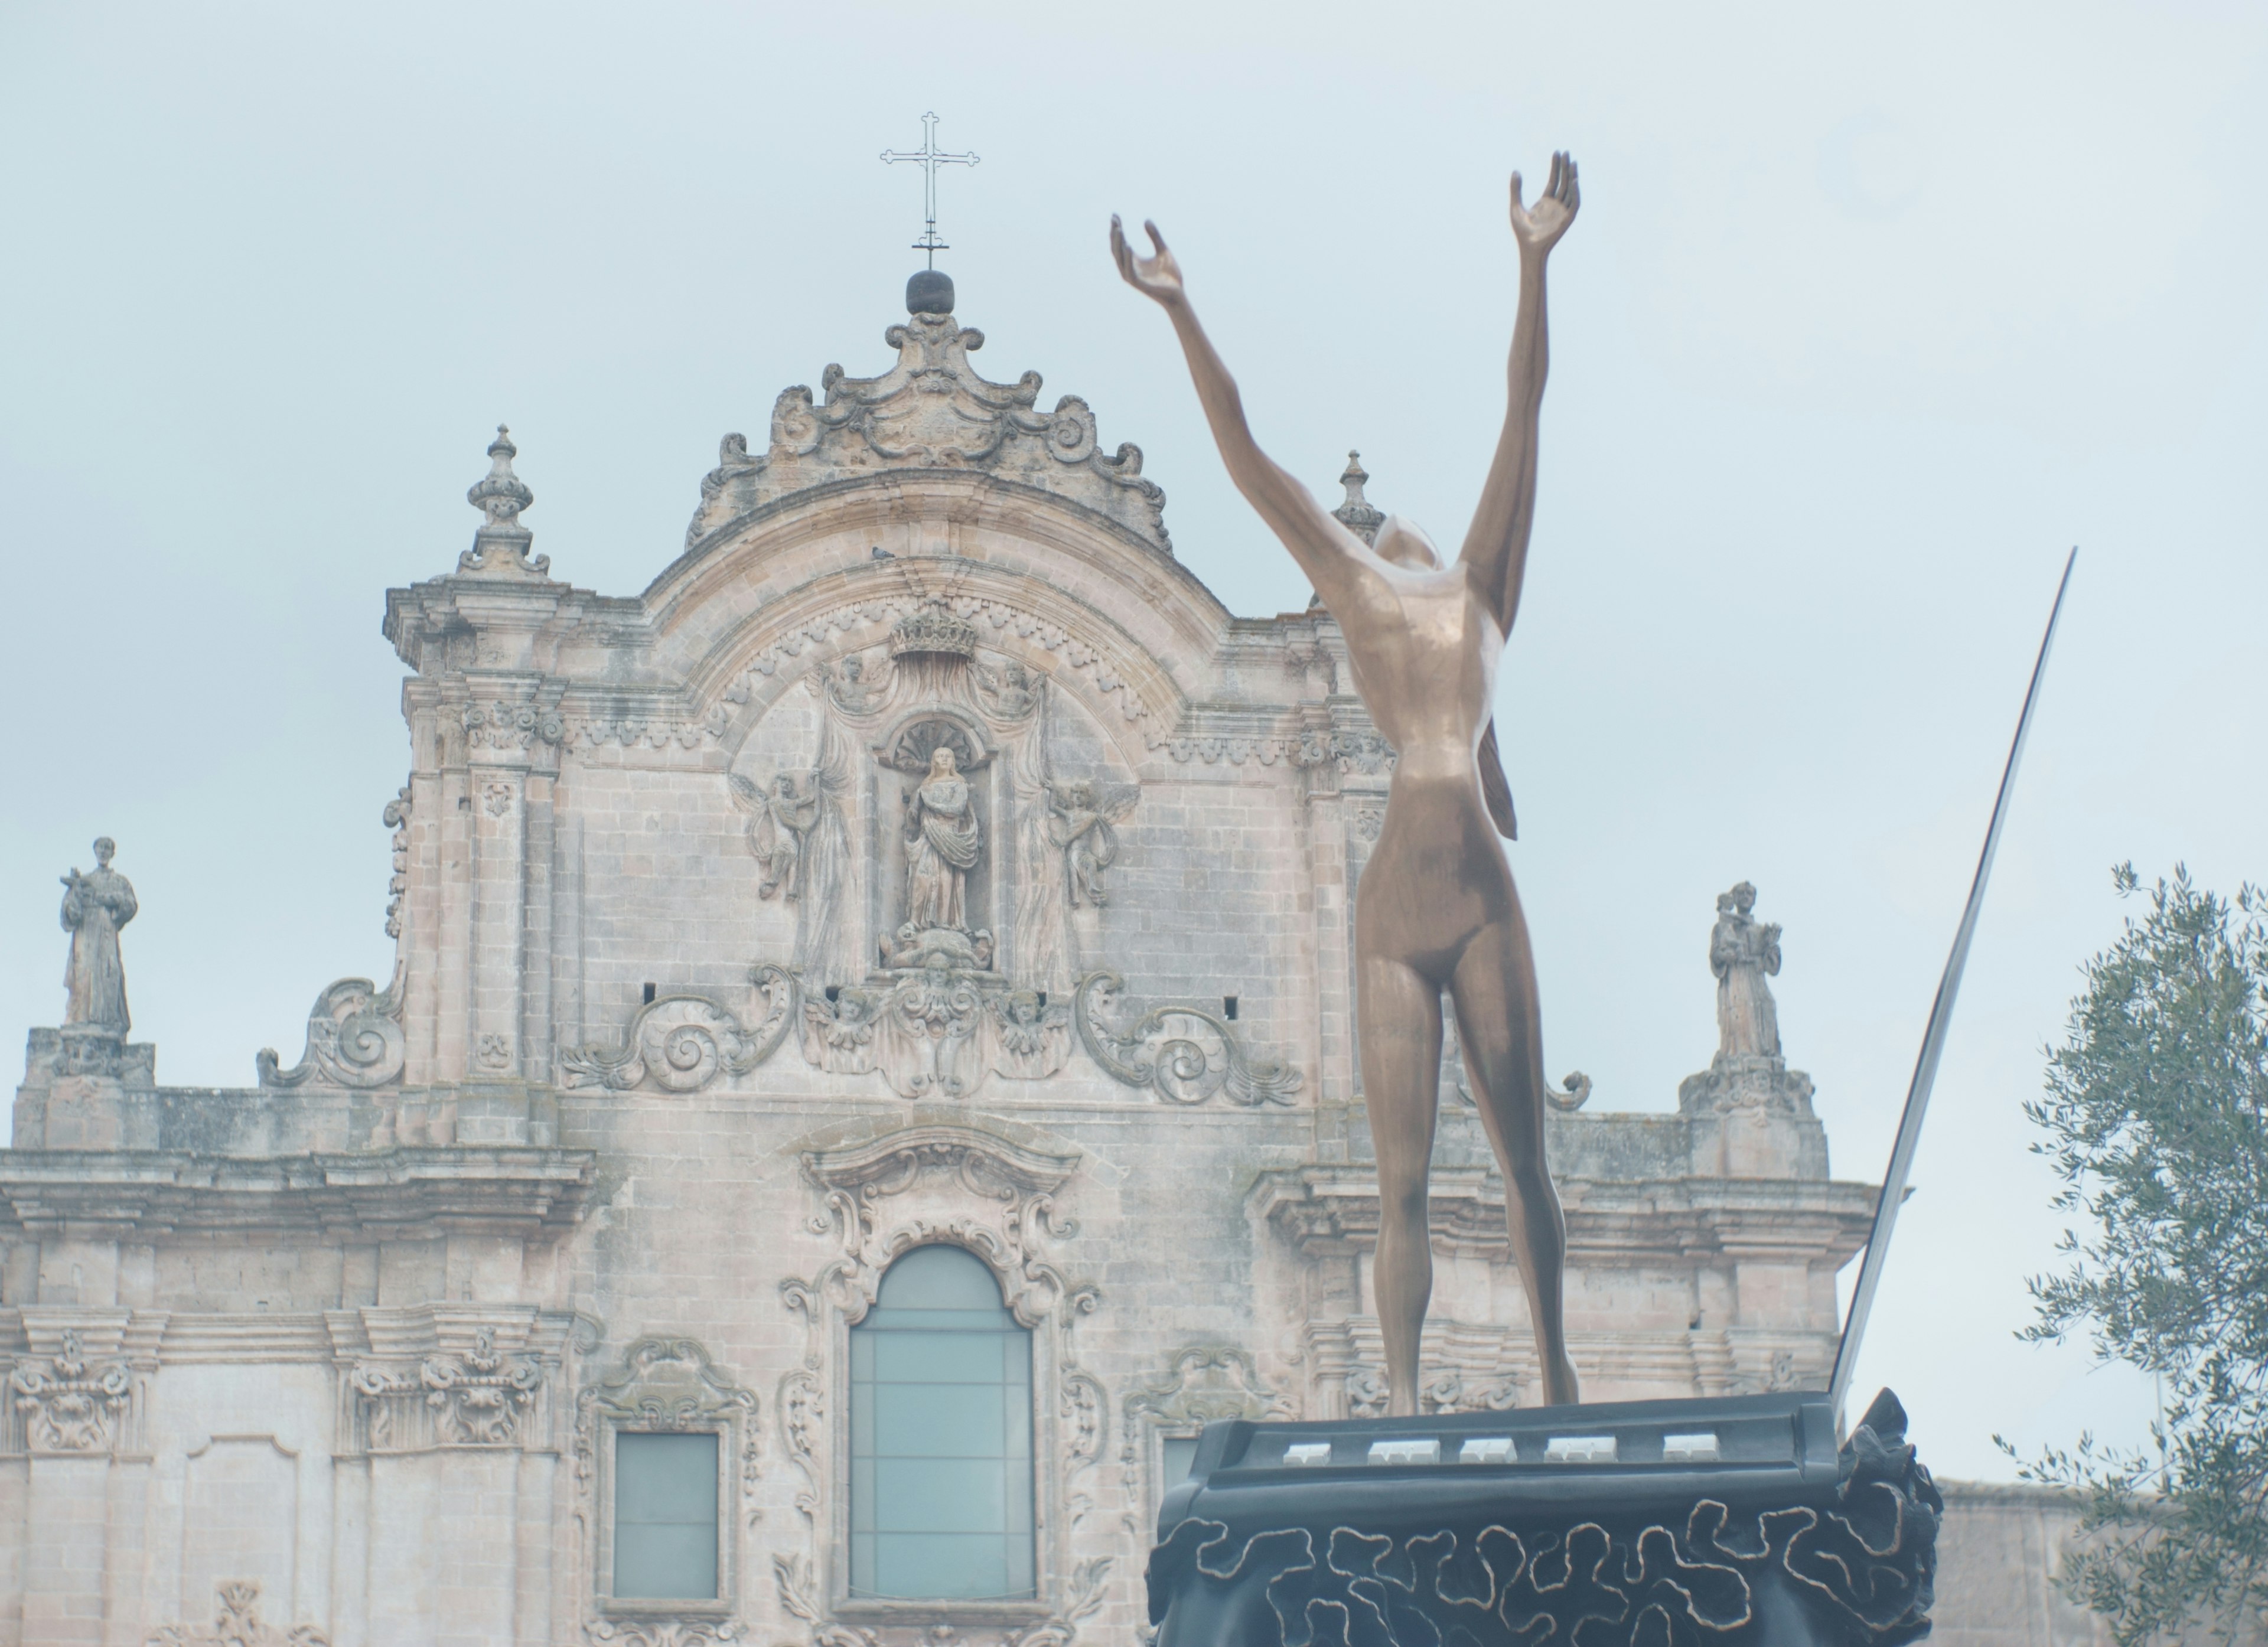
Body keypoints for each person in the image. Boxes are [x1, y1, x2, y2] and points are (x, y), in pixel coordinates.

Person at [1113, 154, 1583, 1412]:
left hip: (1473, 875)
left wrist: (1534, 264)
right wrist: (1179, 309)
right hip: (1406, 898)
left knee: (1524, 1161)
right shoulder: (1367, 594)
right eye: (1378, 538)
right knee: (1401, 1179)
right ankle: (1413, 1396)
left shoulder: (1483, 588)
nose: (1392, 537)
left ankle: (1556, 1373)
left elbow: (1522, 411)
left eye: (1400, 533)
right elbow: (1245, 453)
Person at [61, 836, 137, 1034]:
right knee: (84, 971)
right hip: (86, 933)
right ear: (95, 851)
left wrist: (112, 902)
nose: (103, 851)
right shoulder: (84, 880)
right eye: (100, 848)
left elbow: (131, 904)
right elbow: (69, 909)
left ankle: (106, 1020)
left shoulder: (119, 881)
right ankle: (81, 1018)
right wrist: (74, 893)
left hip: (105, 931)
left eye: (107, 848)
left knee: (108, 972)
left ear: (112, 854)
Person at [904, 746, 981, 932]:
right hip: (928, 838)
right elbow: (912, 819)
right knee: (923, 877)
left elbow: (957, 808)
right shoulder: (925, 787)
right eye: (939, 755)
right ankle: (916, 921)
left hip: (950, 837)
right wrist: (915, 807)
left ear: (953, 761)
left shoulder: (959, 784)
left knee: (946, 880)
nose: (944, 759)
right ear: (934, 762)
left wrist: (929, 803)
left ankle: (946, 922)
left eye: (948, 756)